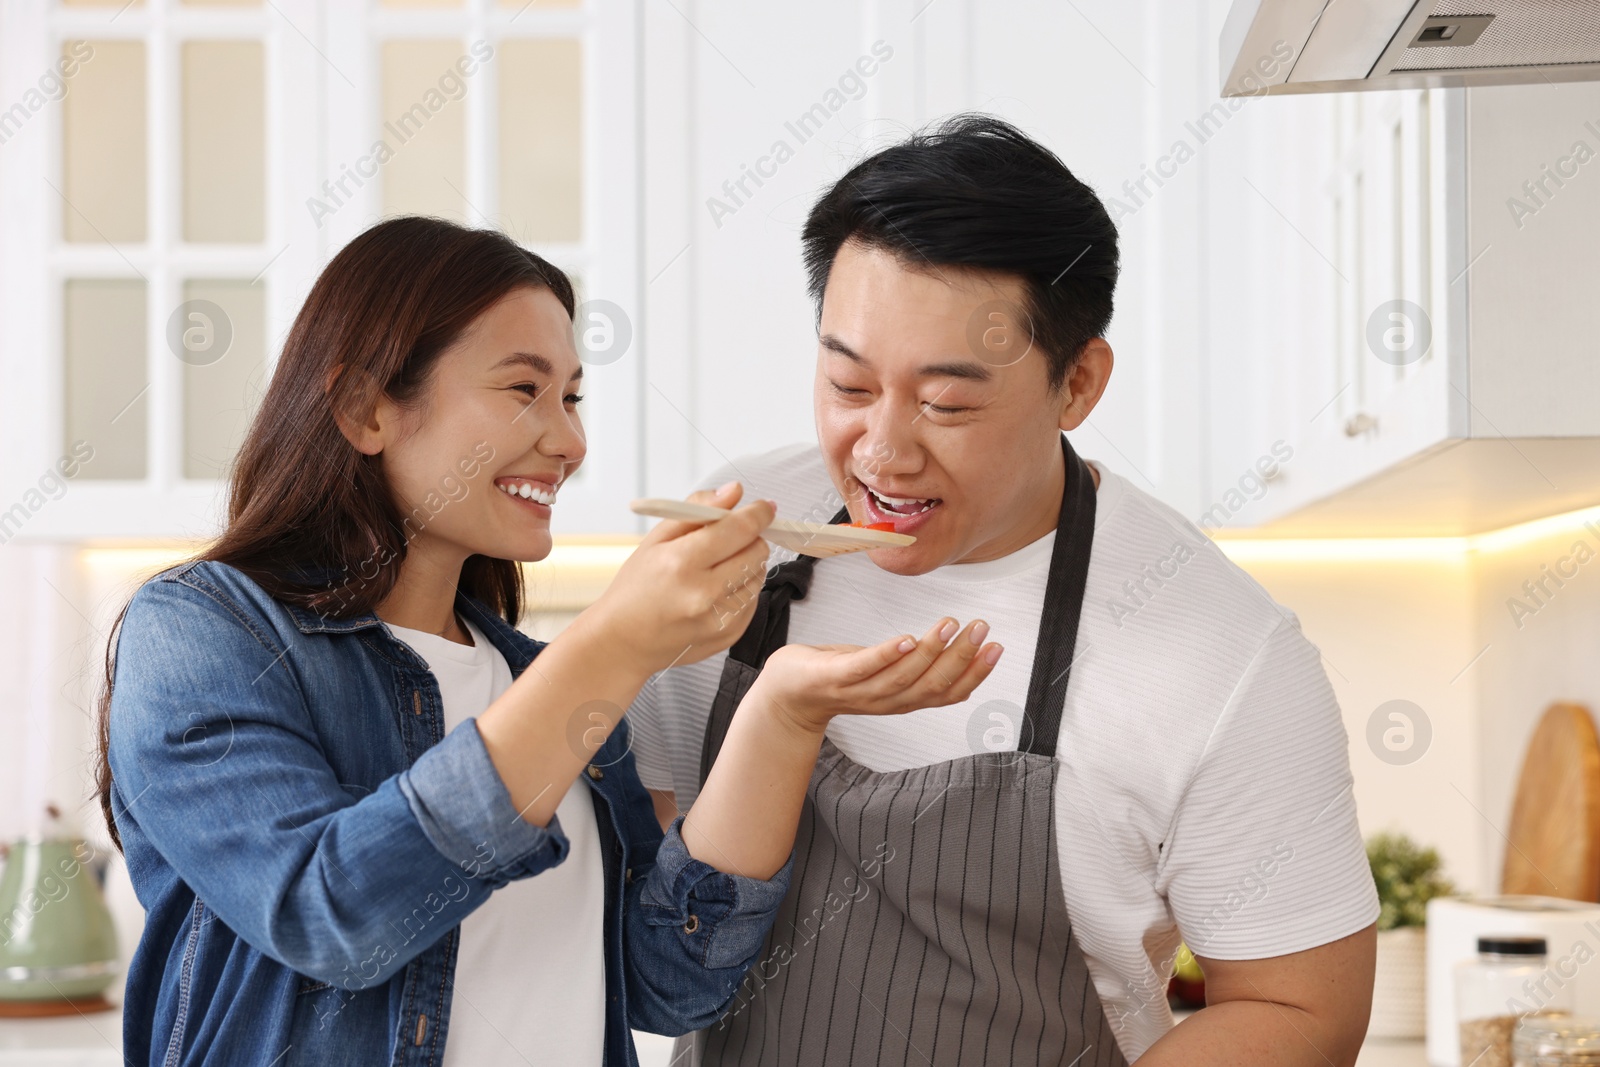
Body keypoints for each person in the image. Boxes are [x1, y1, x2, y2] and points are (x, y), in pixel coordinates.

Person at [94, 216, 1002, 1066]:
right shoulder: (203, 630)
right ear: (367, 409)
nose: (568, 440)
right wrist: (613, 646)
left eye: (572, 396)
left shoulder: (542, 680)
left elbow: (668, 982)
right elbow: (333, 916)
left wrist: (782, 711)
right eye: (524, 389)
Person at [628, 115, 1380, 1066]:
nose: (885, 452)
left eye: (949, 404)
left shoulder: (1222, 655)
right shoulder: (733, 552)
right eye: (849, 385)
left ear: (1078, 385)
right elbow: (655, 911)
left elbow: (1301, 1009)